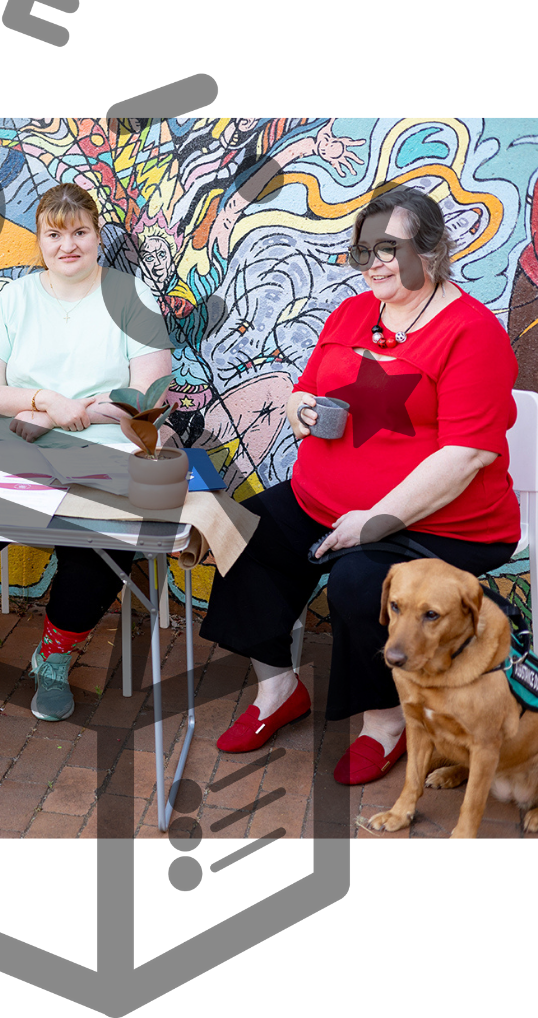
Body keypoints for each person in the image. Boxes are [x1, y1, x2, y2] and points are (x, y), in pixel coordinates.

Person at [200, 184, 520, 784]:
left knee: (359, 582)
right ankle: (278, 691)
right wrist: (301, 408)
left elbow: (467, 454)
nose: (374, 262)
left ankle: (387, 725)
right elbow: (308, 385)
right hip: (320, 501)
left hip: (440, 523)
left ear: (431, 251)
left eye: (389, 248)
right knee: (239, 532)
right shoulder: (353, 313)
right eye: (364, 249)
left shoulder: (471, 331)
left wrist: (375, 520)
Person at [0, 182, 173, 720]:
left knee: (99, 553)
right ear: (40, 240)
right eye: (55, 234)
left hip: (104, 457)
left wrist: (50, 413)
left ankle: (52, 658)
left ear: (98, 236)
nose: (67, 244)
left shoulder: (132, 296)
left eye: (79, 231)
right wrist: (43, 399)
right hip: (14, 452)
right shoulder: (16, 298)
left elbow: (145, 396)